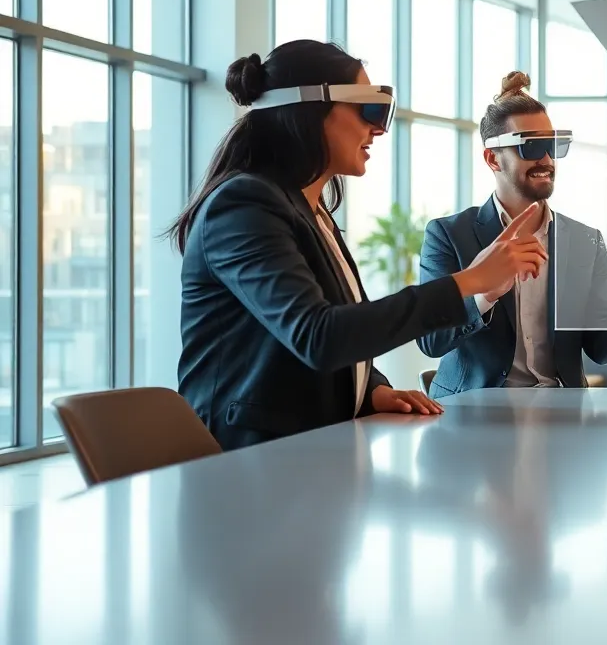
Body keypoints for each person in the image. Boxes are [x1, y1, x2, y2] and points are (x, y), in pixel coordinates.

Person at [172, 41, 544, 451]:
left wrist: (372, 391)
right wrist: (467, 282)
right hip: (249, 462)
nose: (379, 127)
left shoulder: (311, 212)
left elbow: (336, 326)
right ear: (311, 111)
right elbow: (319, 336)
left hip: (310, 455)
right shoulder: (243, 206)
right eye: (370, 108)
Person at [416, 71, 607, 396]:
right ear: (492, 158)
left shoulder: (585, 241)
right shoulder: (449, 235)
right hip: (472, 412)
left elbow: (600, 348)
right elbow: (431, 340)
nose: (547, 159)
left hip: (560, 413)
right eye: (531, 147)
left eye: (553, 145)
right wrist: (487, 293)